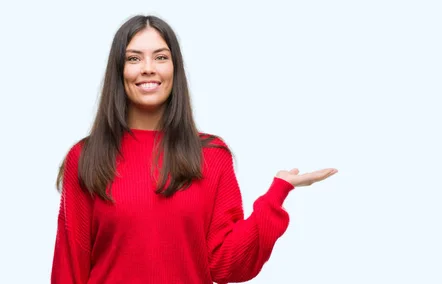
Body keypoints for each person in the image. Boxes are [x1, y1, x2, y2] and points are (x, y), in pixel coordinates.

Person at [51, 14, 337, 284]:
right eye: (134, 58)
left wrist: (277, 194)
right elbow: (69, 269)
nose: (148, 67)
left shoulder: (212, 155)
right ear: (119, 71)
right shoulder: (86, 157)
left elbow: (227, 263)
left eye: (161, 57)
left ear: (174, 68)